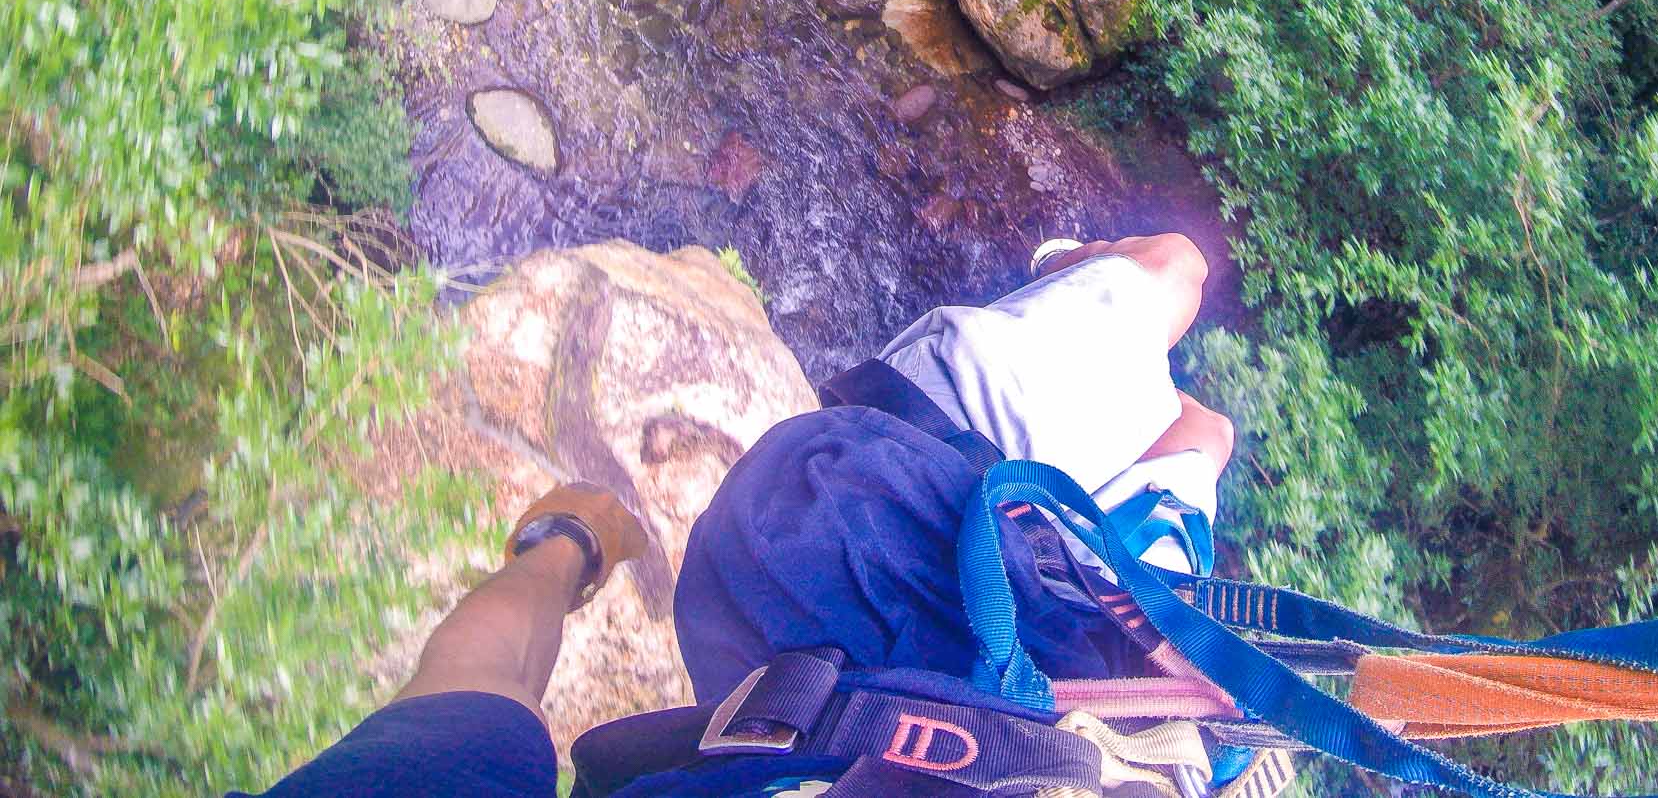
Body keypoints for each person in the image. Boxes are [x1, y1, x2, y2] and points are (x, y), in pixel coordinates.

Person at [234, 232, 1233, 798]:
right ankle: (1088, 278)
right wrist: (570, 541)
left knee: (1183, 336)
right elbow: (473, 684)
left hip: (1013, 626)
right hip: (1045, 612)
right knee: (1189, 343)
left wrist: (571, 541)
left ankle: (1092, 285)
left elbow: (471, 690)